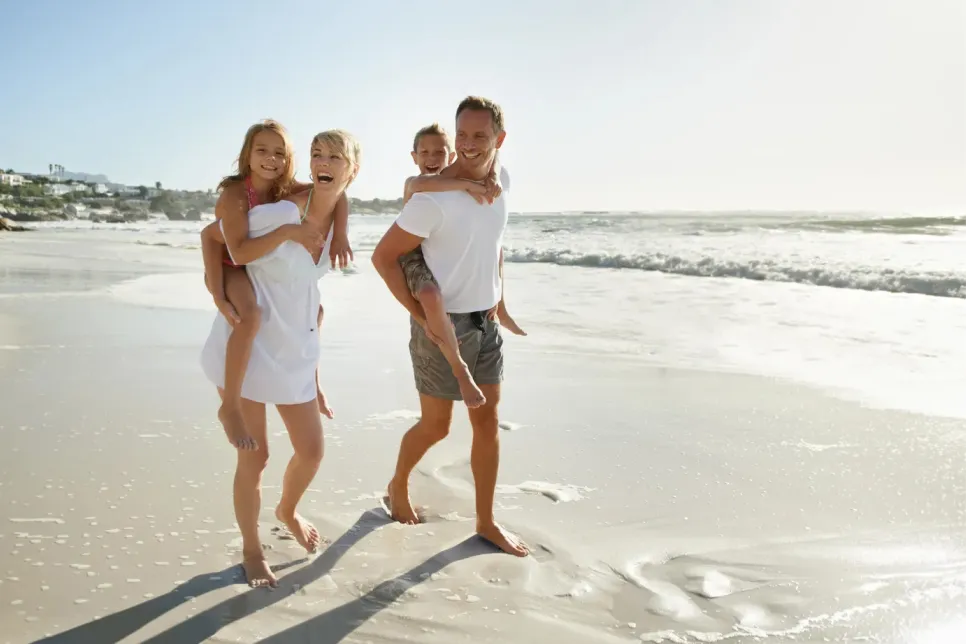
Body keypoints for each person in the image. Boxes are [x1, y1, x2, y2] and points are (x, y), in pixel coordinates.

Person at [200, 128, 362, 587]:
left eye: (335, 156)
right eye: (317, 154)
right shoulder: (279, 212)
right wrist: (216, 289)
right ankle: (252, 550)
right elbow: (215, 237)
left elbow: (310, 298)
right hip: (247, 349)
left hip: (294, 351)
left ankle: (287, 510)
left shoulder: (332, 208)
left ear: (352, 170)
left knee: (311, 451)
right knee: (257, 457)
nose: (324, 161)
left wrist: (315, 374)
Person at [371, 96, 529, 557]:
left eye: (481, 136)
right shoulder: (432, 199)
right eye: (462, 135)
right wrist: (421, 317)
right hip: (443, 325)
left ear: (500, 139)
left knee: (488, 423)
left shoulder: (502, 180)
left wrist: (502, 300)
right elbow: (384, 257)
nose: (468, 145)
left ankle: (486, 521)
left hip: (485, 320)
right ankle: (397, 483)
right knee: (436, 427)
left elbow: (494, 244)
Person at [200, 120, 352, 451]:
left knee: (317, 312)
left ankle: (313, 384)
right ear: (247, 155)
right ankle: (230, 406)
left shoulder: (285, 190)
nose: (271, 159)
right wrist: (216, 292)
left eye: (280, 153)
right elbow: (228, 248)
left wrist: (340, 233)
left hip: (252, 261)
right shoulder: (236, 194)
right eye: (262, 151)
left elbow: (335, 194)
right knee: (251, 316)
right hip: (228, 265)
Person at [398, 123, 527, 408]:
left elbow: (496, 156)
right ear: (414, 156)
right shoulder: (416, 183)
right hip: (412, 254)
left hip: (439, 251)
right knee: (431, 297)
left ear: (452, 155)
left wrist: (491, 173)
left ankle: (501, 309)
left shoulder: (458, 182)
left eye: (439, 152)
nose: (432, 158)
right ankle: (460, 370)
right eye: (425, 152)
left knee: (492, 247)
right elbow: (427, 185)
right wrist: (471, 184)